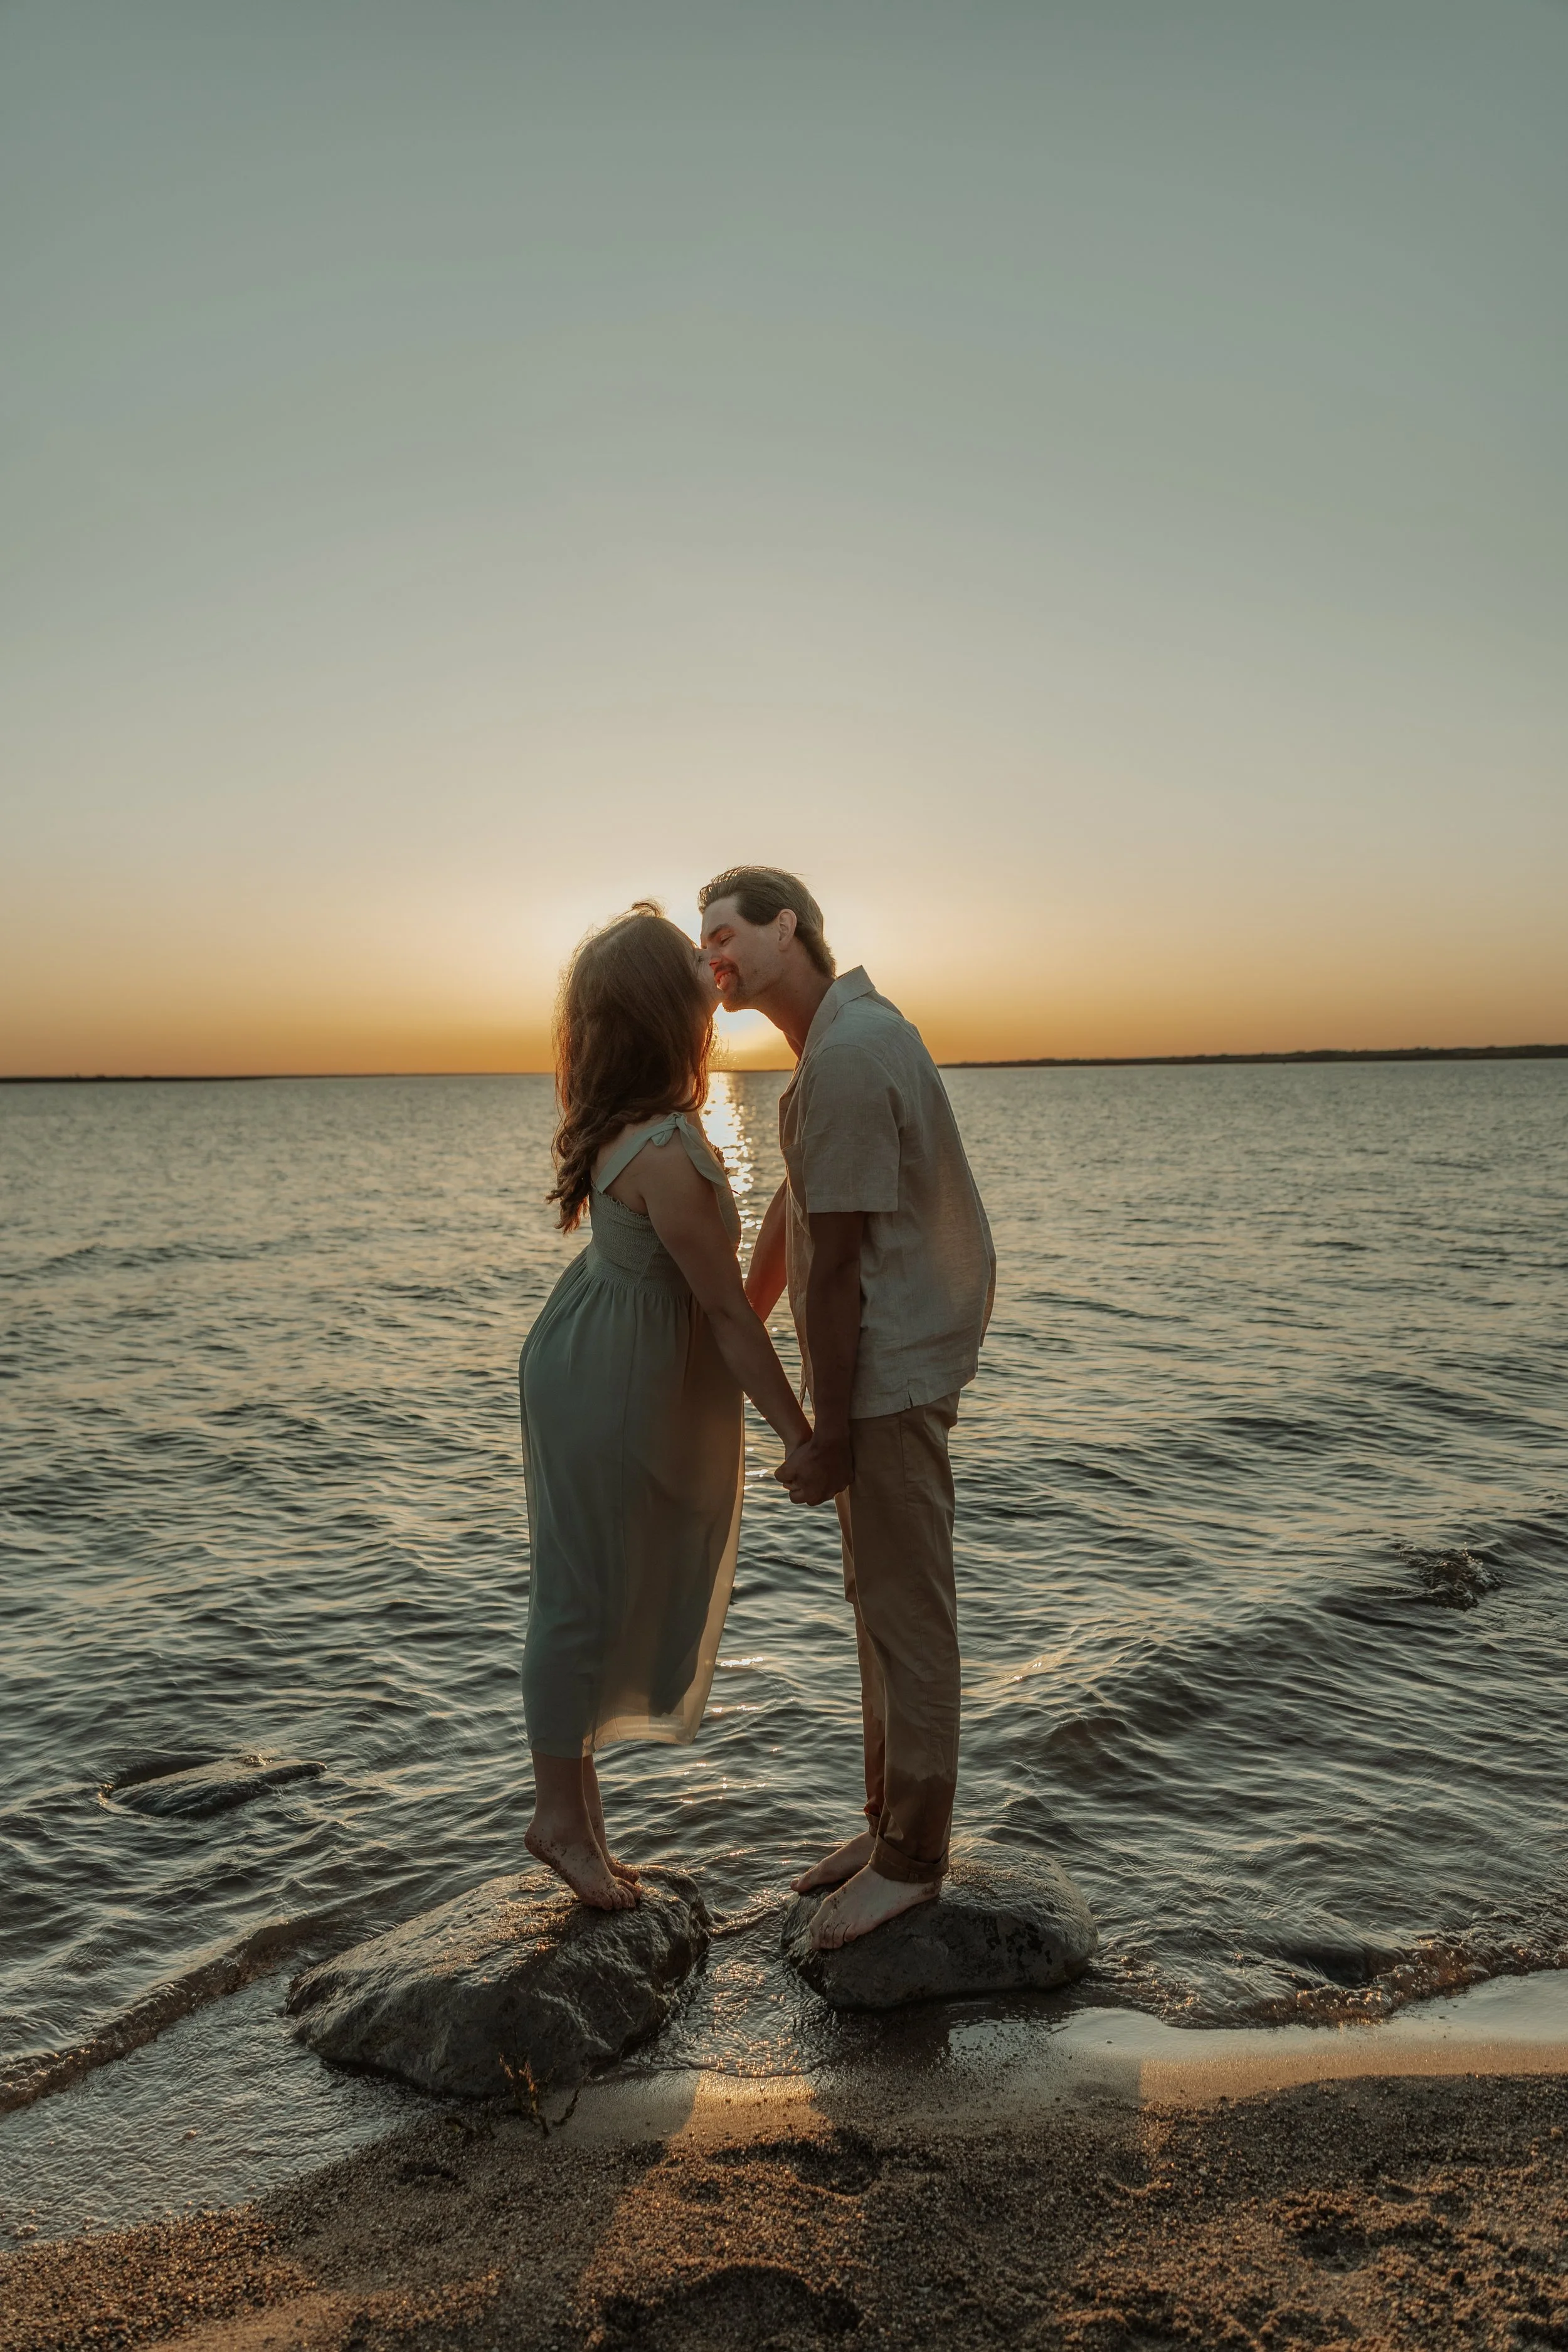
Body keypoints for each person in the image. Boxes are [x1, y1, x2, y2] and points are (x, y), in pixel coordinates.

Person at [698, 867, 995, 1951]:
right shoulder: (831, 1044)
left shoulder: (856, 1049)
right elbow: (798, 1201)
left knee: (908, 1615)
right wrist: (736, 1317)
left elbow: (841, 1267)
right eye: (702, 941)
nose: (709, 956)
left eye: (724, 933)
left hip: (890, 1370)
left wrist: (822, 1429)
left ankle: (914, 1860)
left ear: (791, 926)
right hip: (876, 1369)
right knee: (879, 1601)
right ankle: (885, 1829)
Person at [518, 903, 812, 1910]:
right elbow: (729, 1317)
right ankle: (561, 1821)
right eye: (694, 965)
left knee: (585, 1584)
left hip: (594, 1349)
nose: (713, 968)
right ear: (666, 1013)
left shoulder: (633, 1129)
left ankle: (580, 1824)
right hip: (610, 1373)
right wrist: (803, 1437)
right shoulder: (669, 1153)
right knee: (579, 1594)